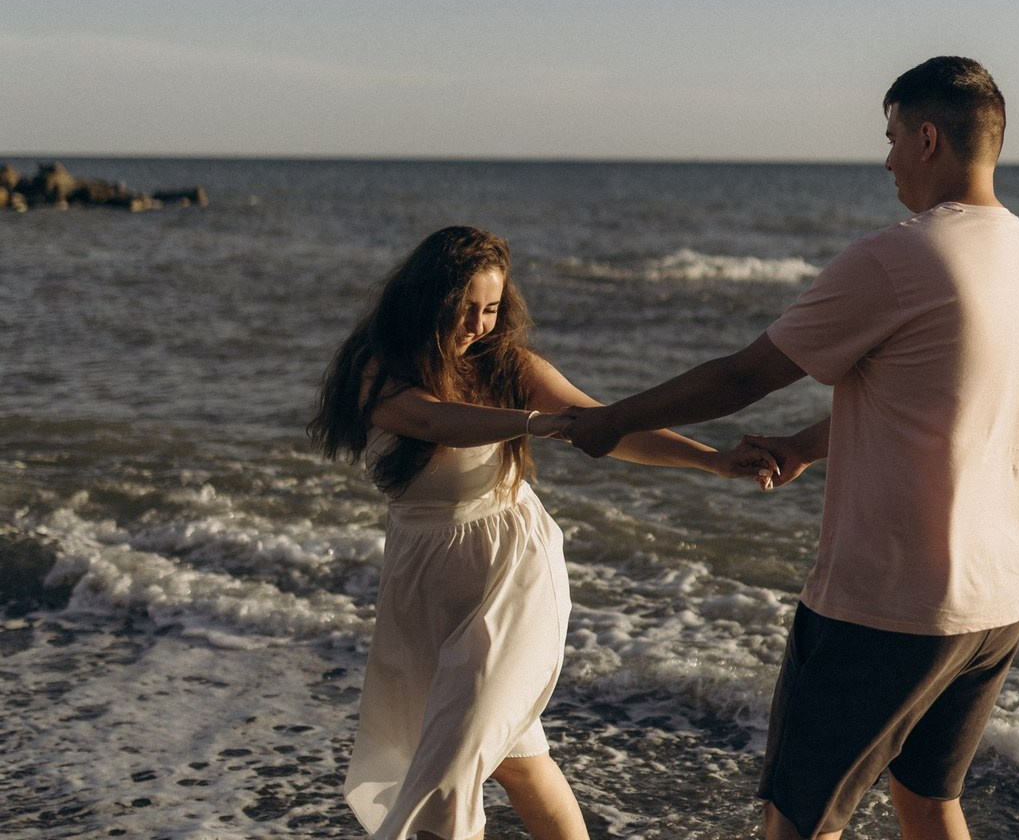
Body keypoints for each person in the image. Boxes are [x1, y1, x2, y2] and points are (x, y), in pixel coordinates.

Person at [567, 57, 1019, 840]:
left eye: (892, 137)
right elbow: (948, 403)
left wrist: (611, 421)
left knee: (800, 821)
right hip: (995, 601)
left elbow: (744, 375)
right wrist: (804, 445)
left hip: (892, 603)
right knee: (928, 801)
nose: (888, 159)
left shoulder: (902, 256)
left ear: (928, 138)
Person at [308, 225, 775, 840]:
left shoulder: (508, 366)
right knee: (518, 762)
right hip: (424, 581)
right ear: (426, 300)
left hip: (512, 573)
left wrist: (712, 460)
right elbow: (435, 420)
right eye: (465, 308)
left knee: (447, 773)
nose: (478, 325)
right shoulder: (378, 370)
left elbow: (609, 426)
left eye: (491, 309)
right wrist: (537, 424)